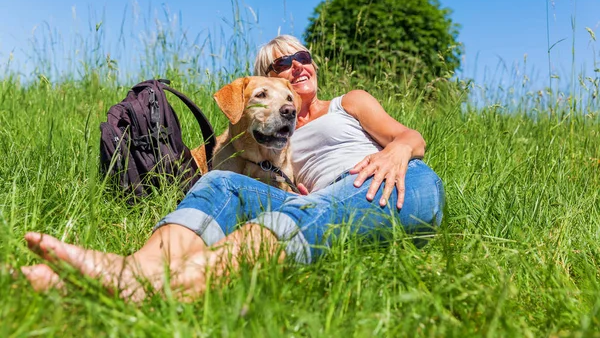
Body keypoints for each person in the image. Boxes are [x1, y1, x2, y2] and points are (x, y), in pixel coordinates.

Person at [21, 35, 445, 301]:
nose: (297, 65)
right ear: (266, 81)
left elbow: (412, 138)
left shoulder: (348, 102)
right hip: (321, 200)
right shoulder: (271, 135)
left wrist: (395, 153)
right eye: (282, 64)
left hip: (395, 182)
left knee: (305, 210)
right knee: (221, 181)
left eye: (302, 55)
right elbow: (233, 148)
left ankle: (175, 286)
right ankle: (134, 269)